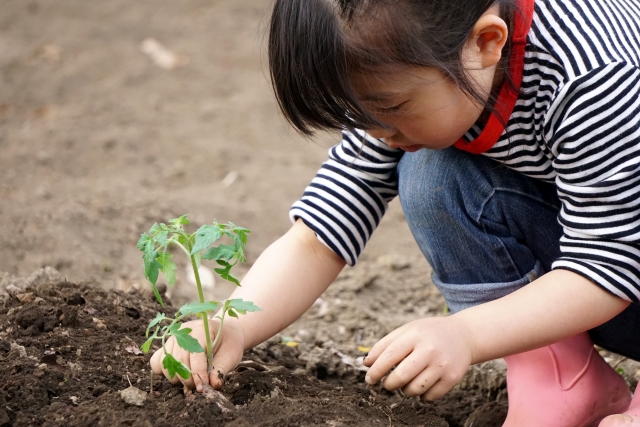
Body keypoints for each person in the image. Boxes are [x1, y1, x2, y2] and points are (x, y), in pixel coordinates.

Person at [150, 0, 640, 425]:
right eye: (357, 114)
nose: (376, 132)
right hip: (603, 254)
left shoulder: (595, 74)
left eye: (391, 107)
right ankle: (559, 380)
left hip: (618, 265)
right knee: (431, 174)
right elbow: (321, 228)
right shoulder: (416, 64)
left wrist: (465, 334)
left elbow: (610, 261)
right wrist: (235, 324)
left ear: (487, 43)